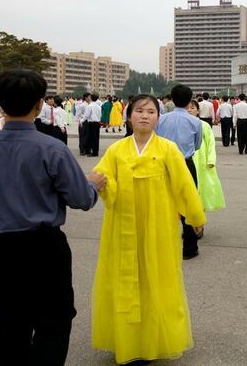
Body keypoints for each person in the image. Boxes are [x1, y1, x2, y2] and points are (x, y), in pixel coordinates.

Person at [0, 69, 102, 364]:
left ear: (1, 105)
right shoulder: (53, 149)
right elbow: (80, 198)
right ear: (39, 105)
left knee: (8, 332)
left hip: (2, 251)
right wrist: (93, 185)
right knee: (53, 325)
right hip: (46, 249)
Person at [92, 94, 206, 363]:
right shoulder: (116, 151)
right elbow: (103, 178)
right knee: (125, 281)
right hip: (122, 226)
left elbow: (184, 186)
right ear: (129, 116)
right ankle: (126, 340)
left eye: (151, 112)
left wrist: (195, 216)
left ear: (158, 117)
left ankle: (153, 341)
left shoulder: (168, 149)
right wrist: (103, 184)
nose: (144, 116)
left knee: (156, 279)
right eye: (139, 111)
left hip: (158, 227)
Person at [155, 85, 203, 260]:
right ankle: (190, 248)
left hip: (163, 164)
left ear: (172, 99)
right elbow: (197, 145)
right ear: (190, 100)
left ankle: (163, 246)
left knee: (162, 203)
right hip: (185, 164)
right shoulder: (195, 122)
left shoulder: (161, 120)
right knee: (188, 202)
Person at [188, 100, 225, 212]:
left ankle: (200, 215)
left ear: (198, 111)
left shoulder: (204, 125)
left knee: (202, 186)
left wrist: (211, 160)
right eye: (187, 108)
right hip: (187, 158)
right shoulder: (182, 124)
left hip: (202, 160)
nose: (189, 110)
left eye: (192, 108)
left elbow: (211, 143)